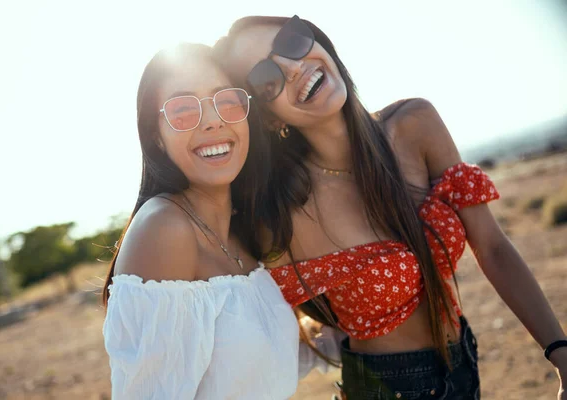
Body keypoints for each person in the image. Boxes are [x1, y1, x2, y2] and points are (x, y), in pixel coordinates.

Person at [214, 15, 567, 399]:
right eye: (268, 78)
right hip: (383, 388)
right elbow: (221, 308)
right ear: (267, 117)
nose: (295, 67)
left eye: (292, 41)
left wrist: (559, 350)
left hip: (463, 362)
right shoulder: (286, 212)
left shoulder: (416, 124)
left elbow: (493, 247)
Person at [101, 44, 304, 399]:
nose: (213, 120)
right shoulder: (165, 229)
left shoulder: (243, 234)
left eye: (226, 100)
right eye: (182, 110)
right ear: (156, 137)